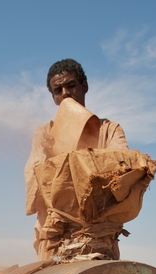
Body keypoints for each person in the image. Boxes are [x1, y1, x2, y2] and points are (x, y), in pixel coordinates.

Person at [24, 58, 129, 260]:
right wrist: (45, 156)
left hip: (99, 240)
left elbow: (123, 172)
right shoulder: (44, 134)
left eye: (71, 85)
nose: (65, 93)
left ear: (84, 86)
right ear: (53, 96)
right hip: (55, 240)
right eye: (58, 90)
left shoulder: (110, 130)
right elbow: (33, 193)